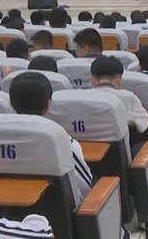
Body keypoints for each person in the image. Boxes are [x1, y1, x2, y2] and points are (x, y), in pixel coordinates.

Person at [8, 72, 92, 205]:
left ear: (11, 104)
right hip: (56, 214)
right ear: (49, 104)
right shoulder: (61, 141)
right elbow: (85, 189)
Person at [90, 56, 148, 133]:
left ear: (92, 80)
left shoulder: (83, 97)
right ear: (119, 80)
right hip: (119, 140)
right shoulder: (128, 97)